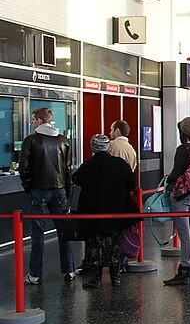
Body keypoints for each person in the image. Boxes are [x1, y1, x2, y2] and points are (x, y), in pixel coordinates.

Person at [19, 107, 77, 285]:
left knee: (37, 233)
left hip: (39, 190)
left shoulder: (31, 140)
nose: (31, 123)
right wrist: (66, 193)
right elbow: (67, 170)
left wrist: (29, 186)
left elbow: (24, 167)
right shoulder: (63, 140)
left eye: (33, 119)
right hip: (59, 190)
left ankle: (35, 274)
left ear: (38, 120)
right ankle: (69, 269)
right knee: (63, 231)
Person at [72, 134, 137, 289]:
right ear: (108, 147)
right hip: (117, 211)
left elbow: (77, 180)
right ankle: (116, 278)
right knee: (115, 245)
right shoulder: (119, 164)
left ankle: (97, 278)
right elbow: (131, 183)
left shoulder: (88, 165)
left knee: (95, 246)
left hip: (94, 213)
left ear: (92, 147)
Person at [163, 117, 190, 286]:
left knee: (184, 234)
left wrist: (168, 180)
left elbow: (176, 172)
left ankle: (185, 268)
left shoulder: (182, 149)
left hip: (181, 194)